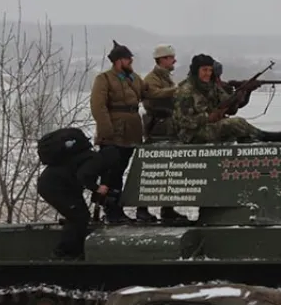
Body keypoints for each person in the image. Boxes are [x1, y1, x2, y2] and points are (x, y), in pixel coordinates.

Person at [36, 128, 120, 259]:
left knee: (79, 215)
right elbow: (83, 176)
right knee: (79, 217)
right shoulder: (95, 159)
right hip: (54, 187)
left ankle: (75, 250)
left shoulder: (89, 157)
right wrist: (97, 188)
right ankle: (62, 252)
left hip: (59, 186)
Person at [173, 54, 281, 144]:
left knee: (237, 126)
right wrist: (208, 117)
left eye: (210, 70)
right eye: (204, 70)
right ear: (196, 71)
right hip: (191, 135)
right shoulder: (186, 91)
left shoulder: (212, 86)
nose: (208, 73)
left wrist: (242, 92)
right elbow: (183, 121)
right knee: (235, 123)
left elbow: (229, 105)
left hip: (207, 128)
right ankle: (266, 137)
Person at [89, 40, 145, 225]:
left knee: (121, 170)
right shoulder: (104, 79)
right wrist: (107, 132)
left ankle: (118, 210)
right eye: (128, 59)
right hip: (113, 133)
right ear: (118, 61)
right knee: (111, 174)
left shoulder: (134, 79)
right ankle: (112, 211)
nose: (130, 62)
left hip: (131, 132)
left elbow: (147, 93)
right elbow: (98, 106)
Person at [135, 44, 191, 225]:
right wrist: (179, 89)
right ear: (161, 60)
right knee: (151, 171)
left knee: (170, 170)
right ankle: (142, 209)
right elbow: (154, 95)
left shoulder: (165, 78)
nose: (174, 60)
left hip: (167, 127)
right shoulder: (152, 79)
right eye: (170, 57)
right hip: (157, 128)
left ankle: (167, 209)